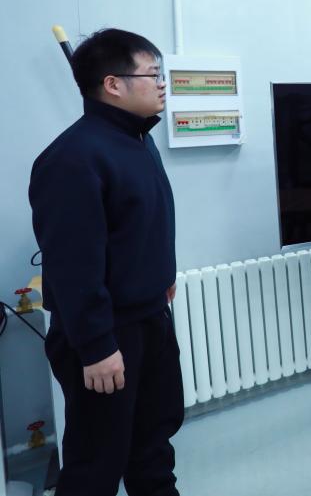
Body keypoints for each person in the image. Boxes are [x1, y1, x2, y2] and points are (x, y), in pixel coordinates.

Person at [29, 28, 183, 496]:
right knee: (96, 462)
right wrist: (97, 347)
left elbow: (143, 222)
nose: (162, 84)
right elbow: (72, 264)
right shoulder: (72, 158)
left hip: (150, 318)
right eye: (153, 74)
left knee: (153, 442)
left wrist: (163, 277)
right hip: (107, 335)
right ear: (113, 84)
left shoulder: (139, 140)